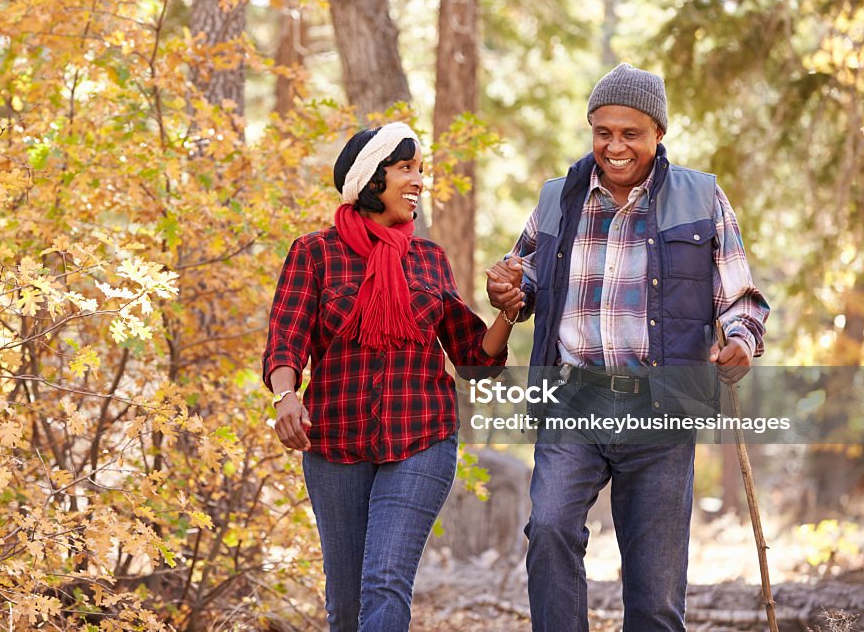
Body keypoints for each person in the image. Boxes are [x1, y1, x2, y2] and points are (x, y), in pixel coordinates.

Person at [486, 63, 769, 631]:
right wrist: (510, 286)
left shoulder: (702, 197)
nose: (615, 146)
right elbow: (531, 276)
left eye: (630, 134)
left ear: (658, 133)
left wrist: (739, 338)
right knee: (549, 529)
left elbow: (742, 299)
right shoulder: (557, 197)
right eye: (603, 132)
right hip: (573, 401)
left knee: (655, 587)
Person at [263, 122, 519, 632]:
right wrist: (286, 397)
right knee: (345, 601)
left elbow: (474, 358)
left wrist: (507, 312)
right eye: (406, 168)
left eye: (420, 169)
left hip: (422, 438)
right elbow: (285, 337)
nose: (418, 180)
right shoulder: (314, 253)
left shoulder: (428, 259)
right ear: (370, 180)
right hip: (334, 443)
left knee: (384, 581)